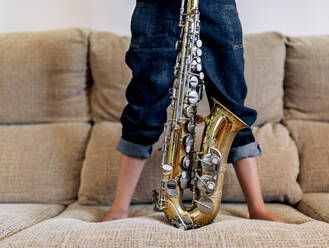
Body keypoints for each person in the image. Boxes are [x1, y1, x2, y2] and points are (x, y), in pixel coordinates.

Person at [100, 0, 289, 224]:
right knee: (143, 106)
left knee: (232, 108)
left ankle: (257, 208)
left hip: (217, 6)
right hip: (155, 8)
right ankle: (119, 208)